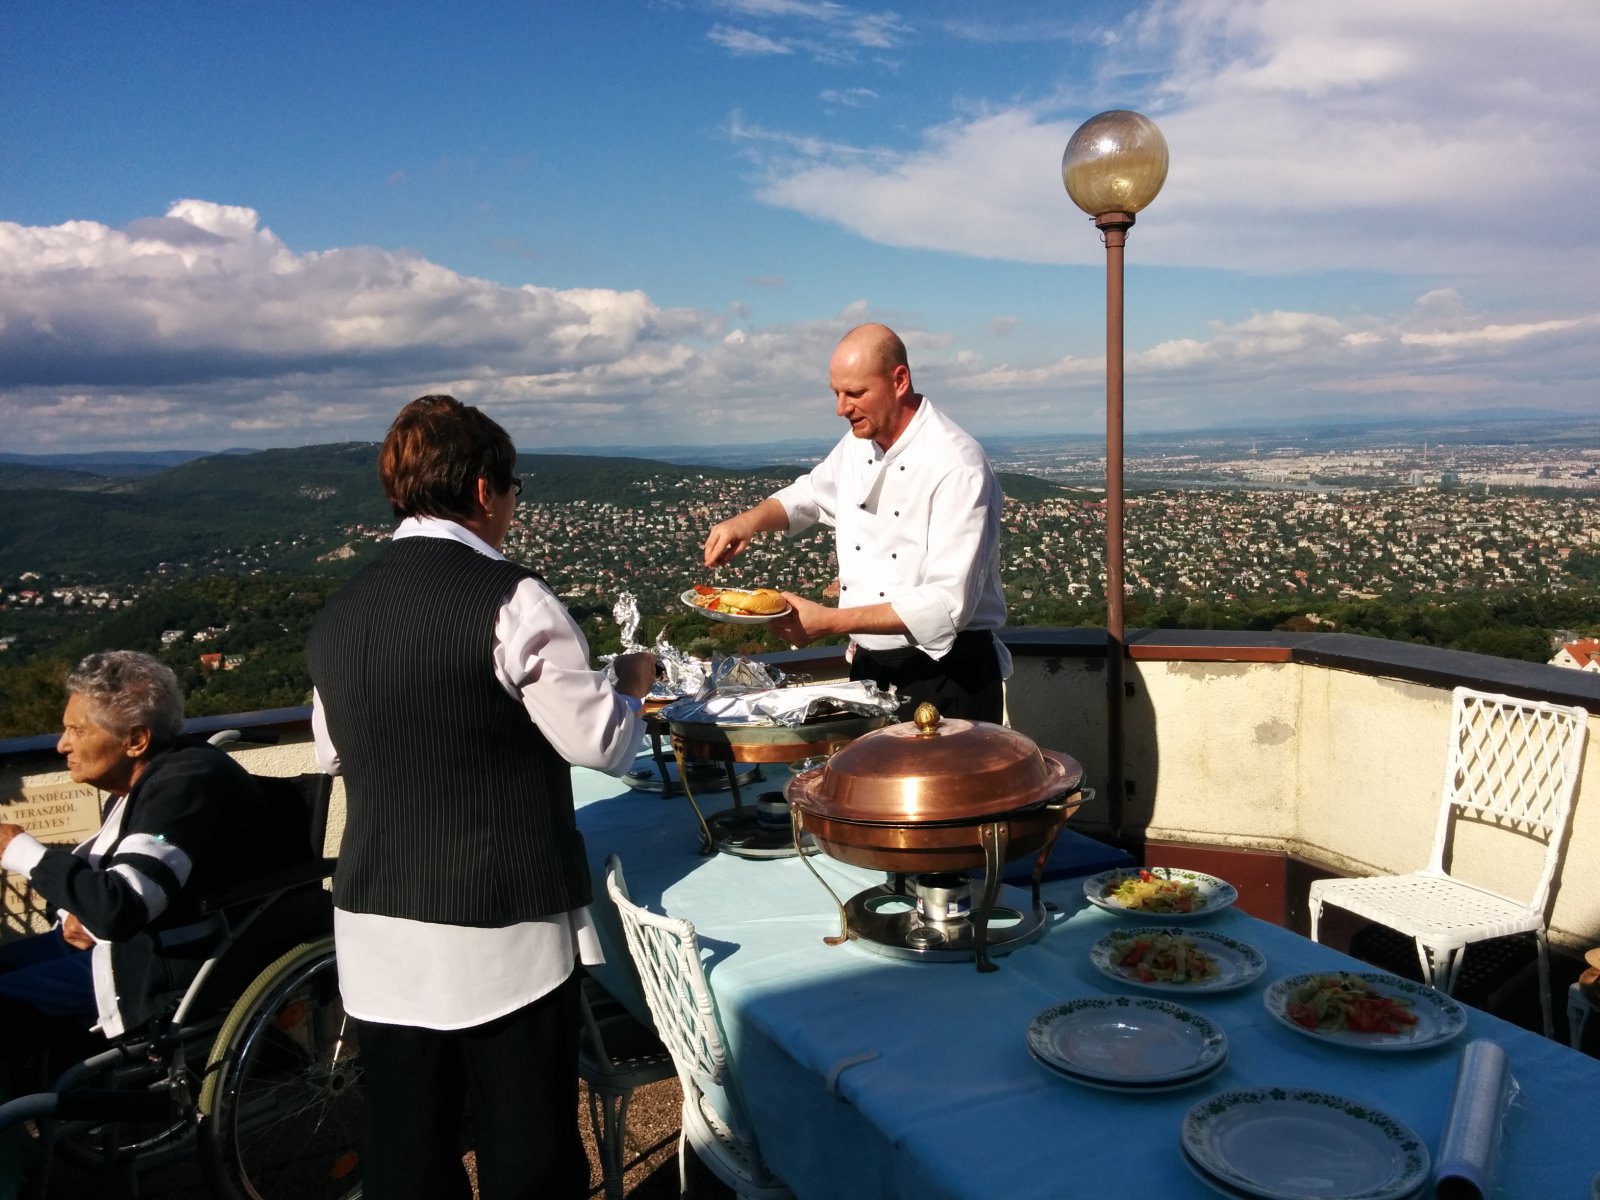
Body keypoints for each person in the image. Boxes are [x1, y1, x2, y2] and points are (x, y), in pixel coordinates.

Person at [305, 394, 655, 1200]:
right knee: (526, 1151)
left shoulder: (339, 613)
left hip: (376, 925)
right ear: (486, 490)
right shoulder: (512, 598)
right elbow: (601, 742)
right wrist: (628, 684)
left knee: (408, 1153)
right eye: (513, 492)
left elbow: (334, 751)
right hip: (502, 926)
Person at [703, 322, 1010, 722]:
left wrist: (828, 622)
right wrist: (750, 521)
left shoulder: (956, 463)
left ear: (899, 380)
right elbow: (810, 494)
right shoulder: (857, 444)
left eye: (855, 393)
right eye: (836, 393)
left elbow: (946, 606)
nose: (841, 408)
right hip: (869, 672)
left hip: (948, 678)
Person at [0, 651, 276, 1088]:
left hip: (154, 968)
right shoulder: (144, 778)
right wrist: (80, 915)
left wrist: (19, 850)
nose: (62, 745)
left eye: (77, 730)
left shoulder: (183, 786)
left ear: (135, 740)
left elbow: (121, 906)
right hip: (121, 946)